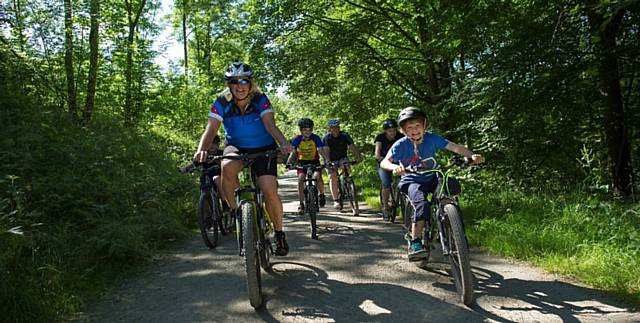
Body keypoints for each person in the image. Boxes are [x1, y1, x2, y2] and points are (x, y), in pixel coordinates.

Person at [193, 61, 293, 256]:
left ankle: (279, 234)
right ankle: (236, 212)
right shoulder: (221, 102)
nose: (239, 86)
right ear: (229, 84)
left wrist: (283, 143)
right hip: (237, 147)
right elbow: (211, 128)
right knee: (227, 165)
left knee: (269, 190)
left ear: (251, 83)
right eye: (234, 81)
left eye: (244, 81)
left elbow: (270, 125)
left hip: (264, 148)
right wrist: (201, 150)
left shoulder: (260, 99)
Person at [380, 107, 483, 261]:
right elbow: (384, 162)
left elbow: (455, 147)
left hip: (432, 177)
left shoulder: (432, 138)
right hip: (412, 180)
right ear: (403, 131)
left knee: (451, 186)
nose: (414, 130)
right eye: (409, 128)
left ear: (424, 126)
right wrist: (396, 168)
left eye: (417, 126)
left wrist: (471, 156)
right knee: (421, 204)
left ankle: (456, 232)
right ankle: (415, 241)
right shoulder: (400, 145)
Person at [287, 118, 328, 214]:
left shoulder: (316, 138)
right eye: (305, 130)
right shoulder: (297, 139)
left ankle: (321, 194)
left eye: (310, 130)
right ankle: (301, 204)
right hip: (302, 162)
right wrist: (288, 163)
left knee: (317, 176)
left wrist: (327, 160)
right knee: (301, 179)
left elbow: (321, 151)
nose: (308, 132)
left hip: (314, 161)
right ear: (301, 130)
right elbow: (293, 152)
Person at [322, 119, 363, 213]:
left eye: (336, 127)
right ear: (329, 129)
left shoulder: (345, 136)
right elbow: (326, 151)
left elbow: (352, 147)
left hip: (342, 157)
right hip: (331, 159)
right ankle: (336, 200)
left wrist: (358, 157)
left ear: (339, 128)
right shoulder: (327, 138)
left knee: (347, 167)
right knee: (332, 176)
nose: (334, 130)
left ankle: (348, 184)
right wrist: (329, 162)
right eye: (332, 128)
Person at [374, 119, 404, 220]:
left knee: (407, 179)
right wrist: (387, 161)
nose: (392, 133)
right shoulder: (380, 138)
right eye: (389, 131)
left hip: (398, 162)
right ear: (385, 131)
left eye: (394, 130)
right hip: (384, 162)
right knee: (386, 184)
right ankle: (385, 208)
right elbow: (377, 155)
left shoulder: (401, 137)